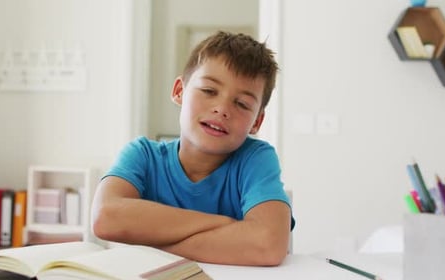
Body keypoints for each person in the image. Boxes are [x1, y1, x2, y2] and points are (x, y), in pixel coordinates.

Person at [91, 31, 295, 266]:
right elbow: (105, 218)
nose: (222, 109)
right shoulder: (142, 155)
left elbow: (268, 245)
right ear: (180, 91)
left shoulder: (256, 158)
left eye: (241, 104)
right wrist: (227, 226)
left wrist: (152, 241)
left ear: (257, 122)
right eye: (209, 91)